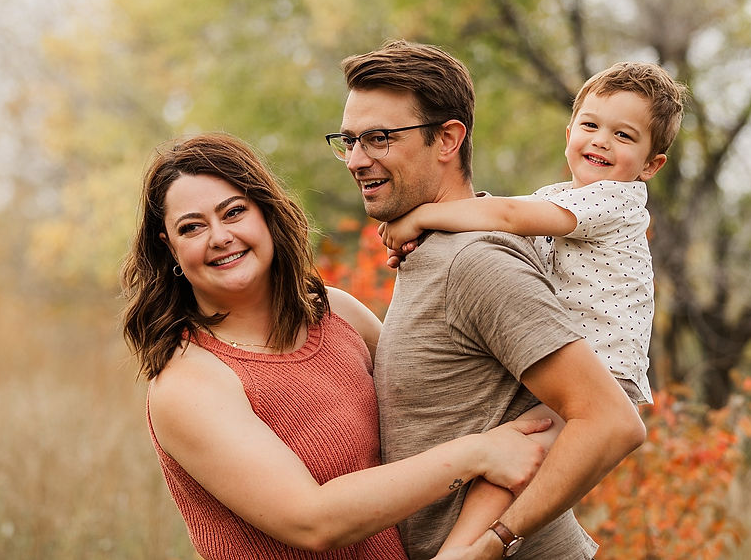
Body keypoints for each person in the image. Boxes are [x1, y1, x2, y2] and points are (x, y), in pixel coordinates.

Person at [121, 133, 552, 560]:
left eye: (234, 212)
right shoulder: (189, 383)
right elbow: (313, 520)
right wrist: (477, 454)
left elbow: (441, 406)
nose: (219, 237)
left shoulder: (337, 313)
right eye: (192, 227)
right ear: (170, 249)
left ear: (267, 215)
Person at [328, 40, 647, 560]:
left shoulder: (474, 263)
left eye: (379, 138)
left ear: (448, 138)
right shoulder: (433, 249)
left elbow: (611, 422)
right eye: (348, 140)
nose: (357, 160)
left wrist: (496, 542)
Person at [379, 61, 687, 407]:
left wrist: (421, 216)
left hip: (605, 375)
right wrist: (426, 238)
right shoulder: (555, 199)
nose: (601, 141)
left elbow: (506, 215)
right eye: (590, 125)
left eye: (623, 135)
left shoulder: (617, 200)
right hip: (566, 364)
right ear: (570, 135)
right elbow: (496, 223)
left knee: (512, 447)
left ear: (650, 165)